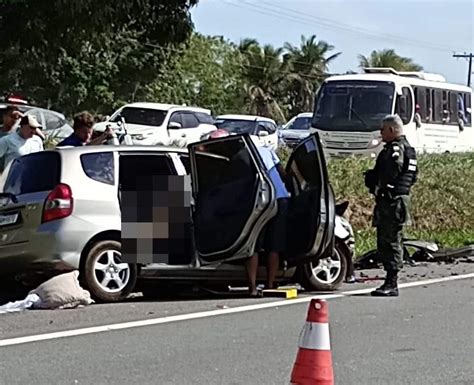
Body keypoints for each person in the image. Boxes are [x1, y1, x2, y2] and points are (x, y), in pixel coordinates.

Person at [364, 114, 418, 297]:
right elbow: (413, 177)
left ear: (392, 130)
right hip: (397, 199)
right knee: (390, 238)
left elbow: (392, 171)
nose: (380, 133)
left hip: (392, 201)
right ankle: (389, 279)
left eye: (383, 129)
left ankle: (392, 282)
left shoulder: (396, 150)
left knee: (391, 240)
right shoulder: (409, 149)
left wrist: (379, 184)